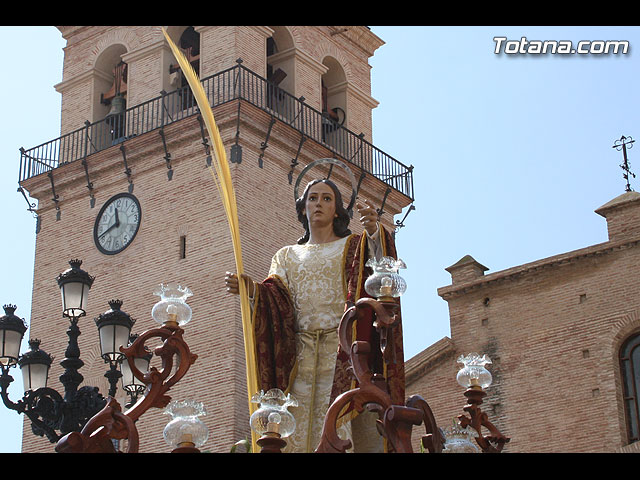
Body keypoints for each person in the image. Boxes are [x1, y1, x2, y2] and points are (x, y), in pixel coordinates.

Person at [225, 178, 405, 452]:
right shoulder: (286, 255)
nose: (318, 203)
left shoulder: (353, 246)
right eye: (312, 198)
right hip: (299, 355)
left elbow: (378, 272)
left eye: (326, 198)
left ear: (337, 211)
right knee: (292, 421)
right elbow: (275, 294)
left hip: (341, 351)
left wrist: (373, 232)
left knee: (339, 418)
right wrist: (251, 290)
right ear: (303, 208)